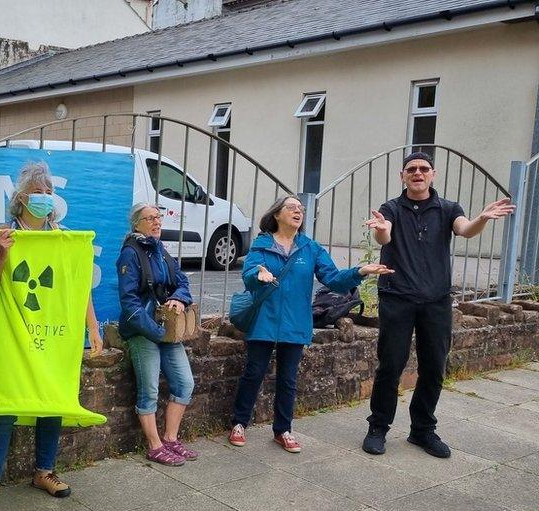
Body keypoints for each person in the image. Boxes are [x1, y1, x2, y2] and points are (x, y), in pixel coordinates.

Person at [361, 152, 514, 458]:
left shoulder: (447, 209)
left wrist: (482, 218)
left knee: (434, 368)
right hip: (397, 298)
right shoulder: (390, 208)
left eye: (423, 169)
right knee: (390, 366)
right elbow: (384, 236)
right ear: (402, 176)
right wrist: (380, 229)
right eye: (411, 169)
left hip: (436, 302)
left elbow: (465, 229)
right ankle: (378, 427)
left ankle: (422, 430)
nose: (418, 173)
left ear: (433, 174)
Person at [0, 161, 104, 511]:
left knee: (53, 401)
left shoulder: (65, 239)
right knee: (4, 405)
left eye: (49, 193)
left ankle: (44, 471)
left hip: (52, 334)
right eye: (37, 193)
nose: (44, 199)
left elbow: (78, 289)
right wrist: (1, 253)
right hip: (10, 333)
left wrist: (93, 326)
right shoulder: (1, 235)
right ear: (21, 198)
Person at [228, 195, 392, 452]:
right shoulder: (261, 245)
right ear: (277, 215)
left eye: (301, 209)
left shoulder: (310, 248)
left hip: (295, 321)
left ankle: (283, 429)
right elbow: (248, 277)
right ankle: (239, 423)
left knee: (288, 379)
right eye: (291, 207)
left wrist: (359, 272)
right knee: (253, 373)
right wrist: (258, 275)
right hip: (264, 319)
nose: (298, 211)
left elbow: (334, 279)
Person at [116, 203, 198, 466]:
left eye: (158, 217)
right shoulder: (130, 253)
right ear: (136, 224)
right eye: (149, 218)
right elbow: (130, 303)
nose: (156, 222)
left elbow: (182, 282)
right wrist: (155, 332)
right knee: (149, 390)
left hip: (164, 330)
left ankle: (171, 439)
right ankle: (155, 445)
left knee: (185, 383)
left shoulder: (161, 250)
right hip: (142, 331)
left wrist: (178, 299)